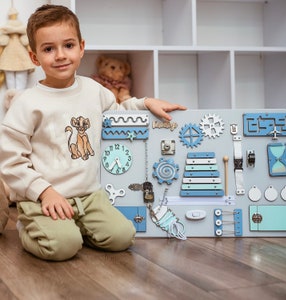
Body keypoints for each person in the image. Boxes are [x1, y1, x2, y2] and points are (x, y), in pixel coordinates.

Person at [0, 4, 186, 261]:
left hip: (89, 196)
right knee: (63, 247)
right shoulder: (26, 103)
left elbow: (117, 113)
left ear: (81, 47)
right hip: (44, 197)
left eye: (68, 45)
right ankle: (30, 226)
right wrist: (44, 192)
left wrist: (145, 104)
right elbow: (11, 160)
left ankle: (76, 227)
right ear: (35, 58)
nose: (60, 55)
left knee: (123, 236)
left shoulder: (94, 90)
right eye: (48, 49)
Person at [0, 6, 35, 90]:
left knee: (11, 80)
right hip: (20, 54)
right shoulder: (22, 28)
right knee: (19, 80)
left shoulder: (6, 28)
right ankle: (17, 98)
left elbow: (3, 41)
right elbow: (25, 41)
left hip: (9, 55)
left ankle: (13, 98)